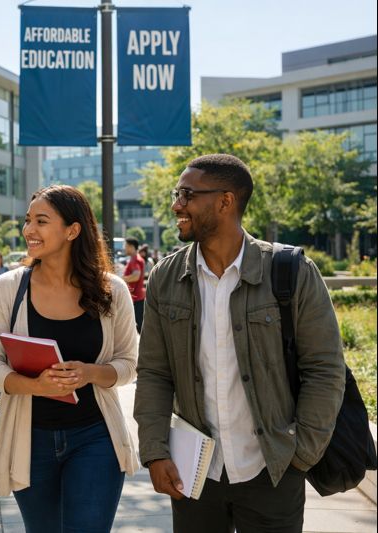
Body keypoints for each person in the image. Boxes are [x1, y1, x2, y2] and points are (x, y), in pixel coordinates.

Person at [134, 154, 345, 533]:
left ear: (225, 201)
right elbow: (153, 372)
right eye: (177, 193)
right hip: (195, 475)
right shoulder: (166, 278)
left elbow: (325, 368)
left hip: (274, 470)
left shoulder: (290, 271)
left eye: (186, 194)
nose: (176, 204)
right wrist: (154, 452)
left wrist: (301, 454)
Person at [0, 185, 139, 533]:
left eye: (41, 221)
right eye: (27, 220)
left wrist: (91, 373)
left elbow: (129, 365)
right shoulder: (8, 287)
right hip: (29, 440)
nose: (28, 230)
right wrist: (34, 385)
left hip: (96, 437)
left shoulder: (112, 290)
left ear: (72, 230)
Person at [121, 237, 146, 333]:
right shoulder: (135, 258)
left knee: (139, 327)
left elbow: (136, 276)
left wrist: (120, 279)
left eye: (126, 246)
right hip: (136, 298)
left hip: (136, 298)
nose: (124, 248)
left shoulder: (135, 259)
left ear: (131, 247)